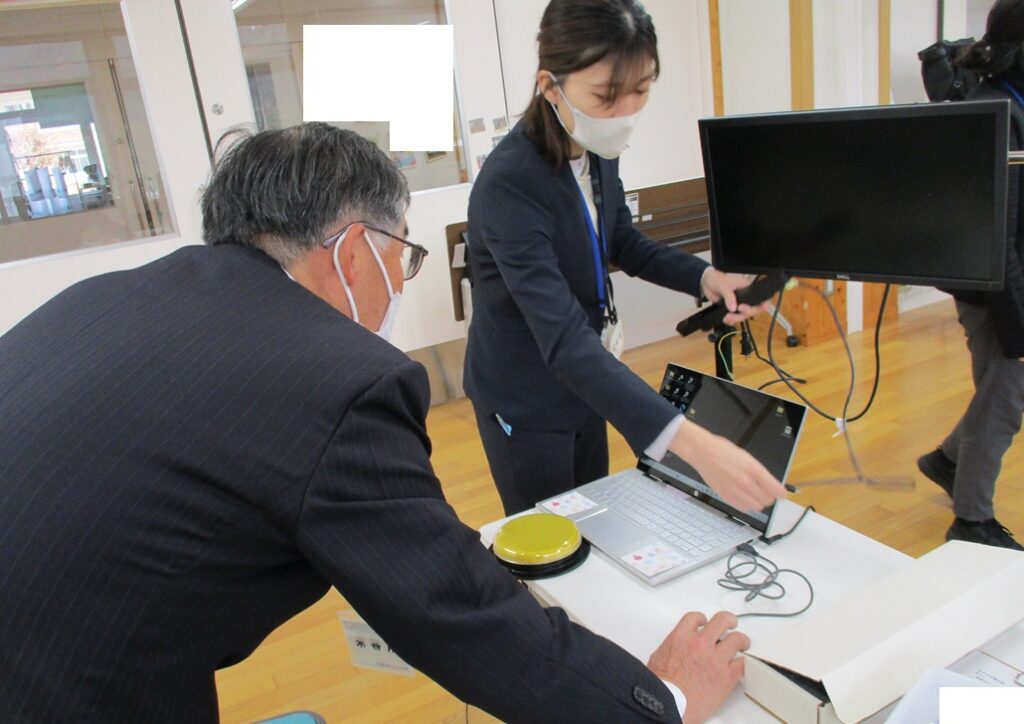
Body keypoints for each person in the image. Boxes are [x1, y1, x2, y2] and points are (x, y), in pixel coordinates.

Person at [0, 123, 750, 723]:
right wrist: (664, 699)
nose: (400, 280)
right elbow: (460, 616)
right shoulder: (332, 380)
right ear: (355, 250)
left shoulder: (102, 297)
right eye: (405, 256)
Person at [464, 0, 785, 516]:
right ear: (551, 86)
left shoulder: (594, 149)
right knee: (551, 539)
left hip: (590, 379)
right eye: (606, 96)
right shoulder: (510, 184)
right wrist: (693, 444)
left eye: (640, 90)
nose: (625, 113)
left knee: (594, 519)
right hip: (526, 397)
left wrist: (706, 277)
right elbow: (563, 341)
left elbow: (621, 242)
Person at [916, 0, 1024, 551]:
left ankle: (948, 460)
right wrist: (1020, 327)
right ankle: (972, 520)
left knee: (998, 393)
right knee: (1004, 401)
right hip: (995, 290)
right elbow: (996, 241)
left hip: (1006, 279)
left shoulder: (1010, 101)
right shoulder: (995, 115)